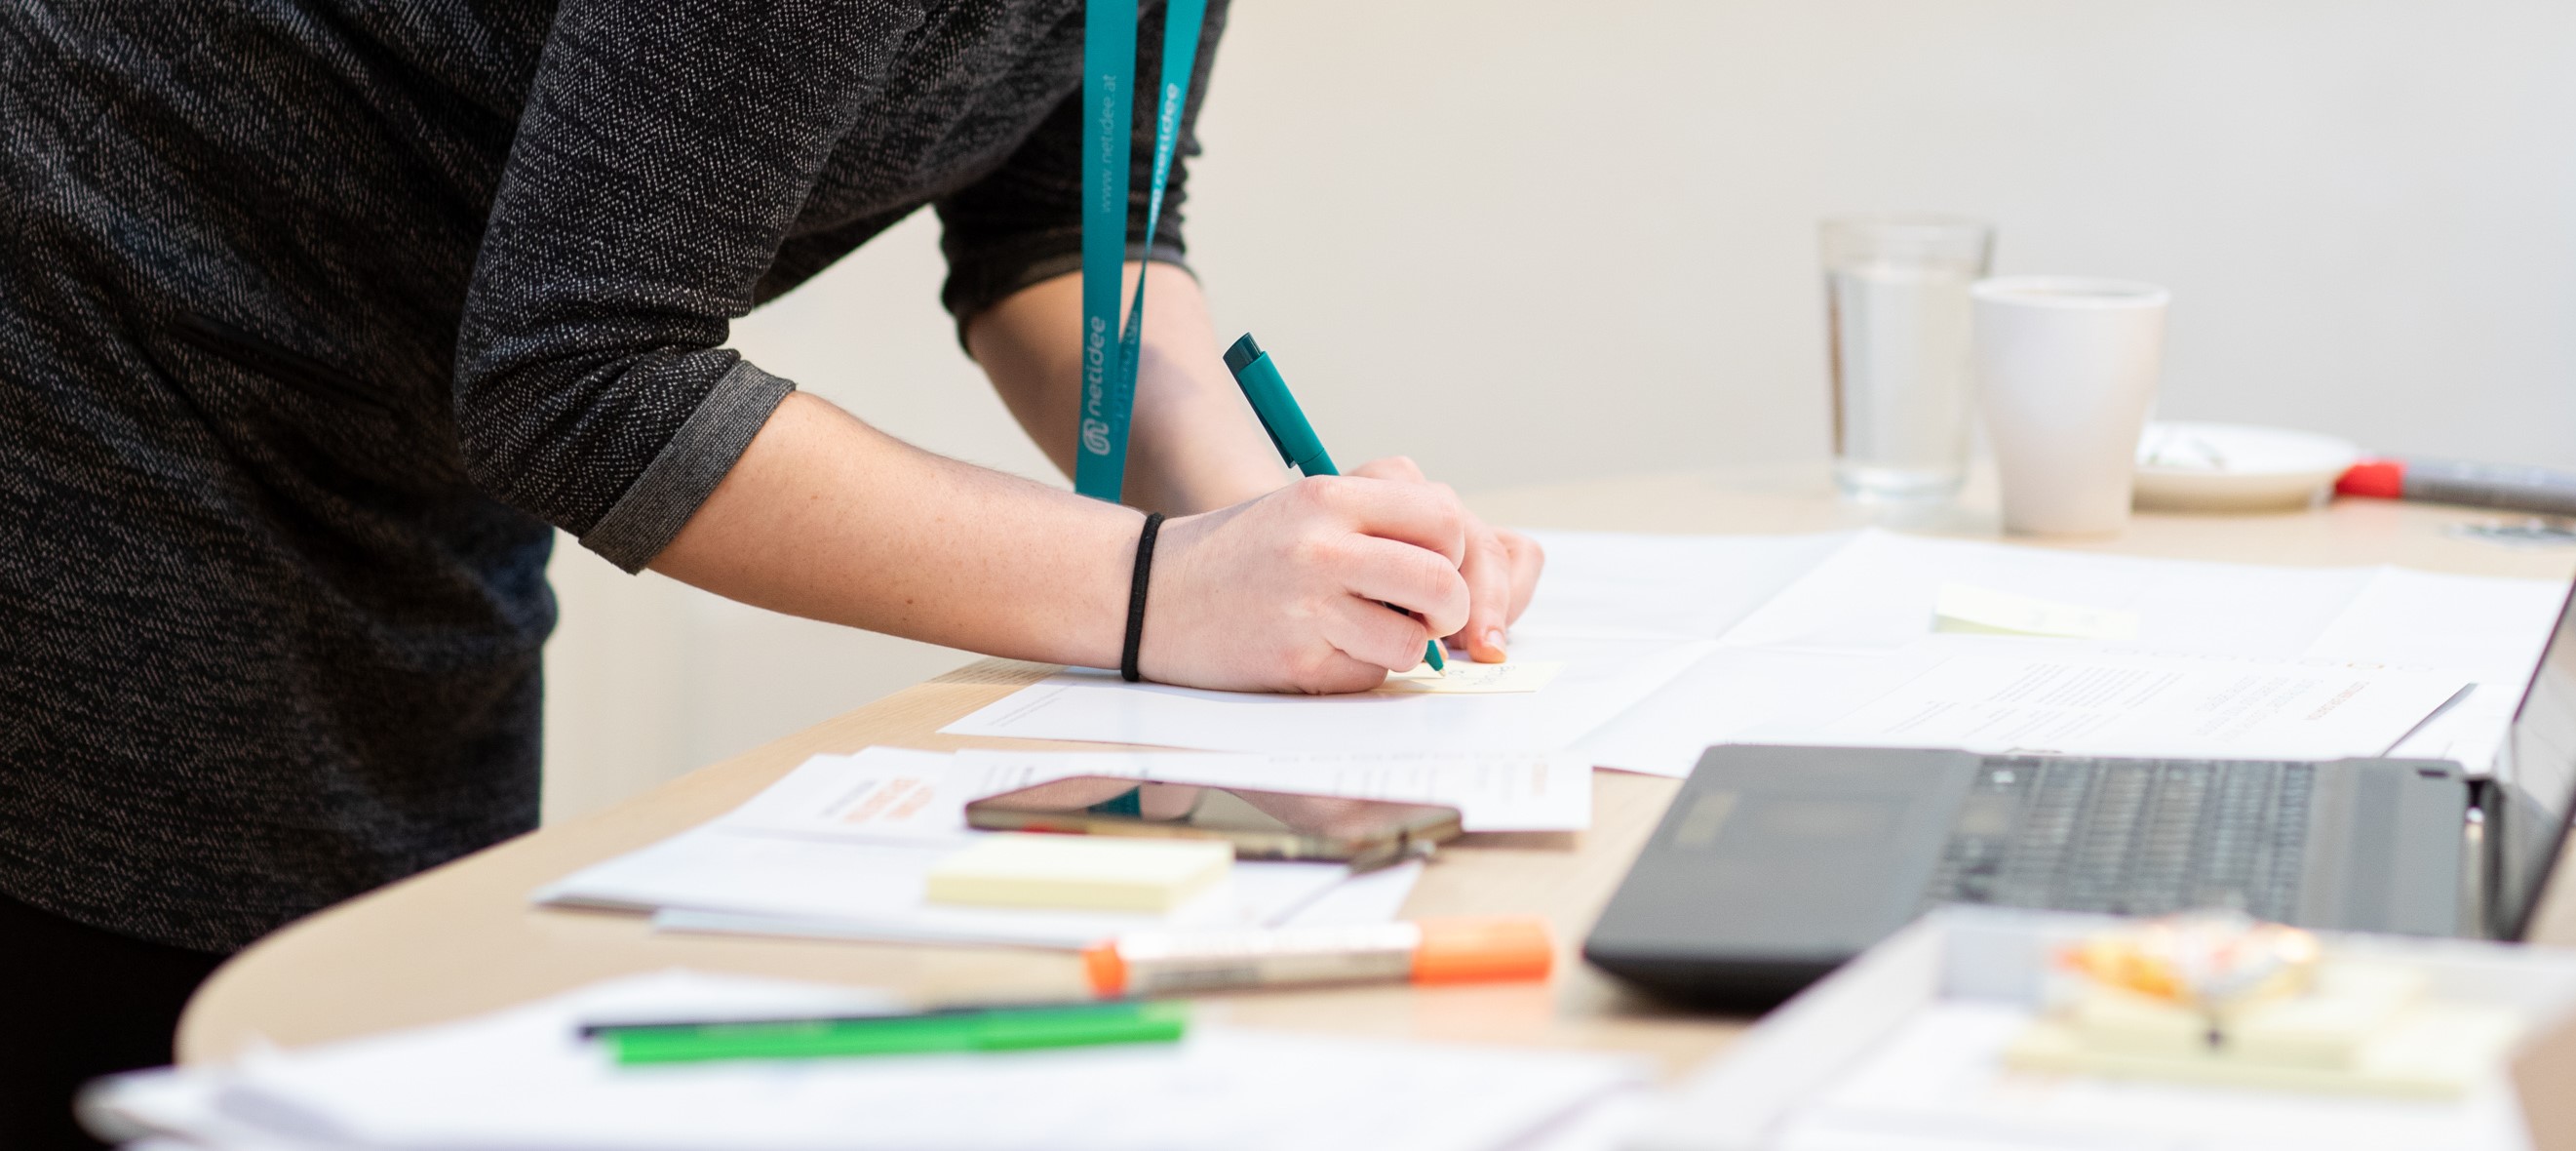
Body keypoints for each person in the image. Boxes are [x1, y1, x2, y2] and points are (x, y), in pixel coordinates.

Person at [0, 2, 1541, 1143]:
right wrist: (1163, 590)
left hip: (390, 438)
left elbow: (1059, 231)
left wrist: (1278, 542)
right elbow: (581, 378)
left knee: (339, 1044)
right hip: (93, 369)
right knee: (190, 1044)